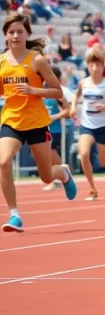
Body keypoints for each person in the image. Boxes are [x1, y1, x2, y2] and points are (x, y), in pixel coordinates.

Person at [0, 14, 77, 232]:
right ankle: (15, 215)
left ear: (27, 34)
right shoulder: (1, 62)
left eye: (19, 31)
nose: (15, 35)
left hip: (36, 123)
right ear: (5, 35)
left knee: (45, 177)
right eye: (11, 32)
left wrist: (34, 90)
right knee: (3, 162)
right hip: (11, 121)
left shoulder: (37, 60)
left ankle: (62, 173)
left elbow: (57, 91)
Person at [72, 48, 105, 201]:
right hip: (86, 124)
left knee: (104, 163)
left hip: (104, 125)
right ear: (88, 66)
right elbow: (76, 94)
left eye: (98, 65)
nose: (94, 68)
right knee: (84, 154)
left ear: (102, 67)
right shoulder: (83, 83)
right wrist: (73, 106)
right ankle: (92, 189)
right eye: (92, 65)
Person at [42, 65, 75, 191]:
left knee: (49, 153)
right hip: (42, 128)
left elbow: (67, 110)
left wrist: (54, 117)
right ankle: (61, 171)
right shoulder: (40, 90)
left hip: (55, 129)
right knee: (44, 155)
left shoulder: (57, 93)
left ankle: (58, 176)